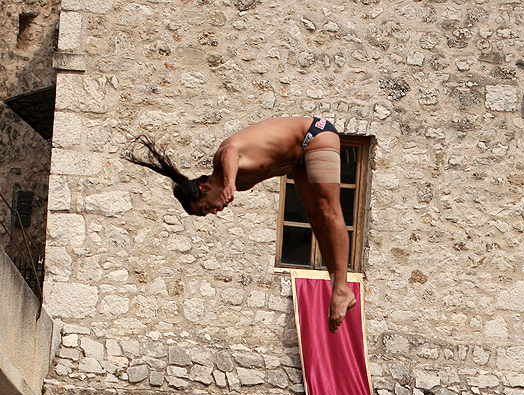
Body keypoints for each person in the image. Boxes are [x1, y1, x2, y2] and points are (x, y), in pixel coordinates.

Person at [126, 116, 356, 333]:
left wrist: (230, 182)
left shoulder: (223, 162)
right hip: (299, 159)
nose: (215, 211)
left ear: (204, 187)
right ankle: (337, 282)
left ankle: (342, 288)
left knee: (328, 210)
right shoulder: (242, 182)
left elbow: (231, 150)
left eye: (207, 207)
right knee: (315, 218)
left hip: (313, 136)